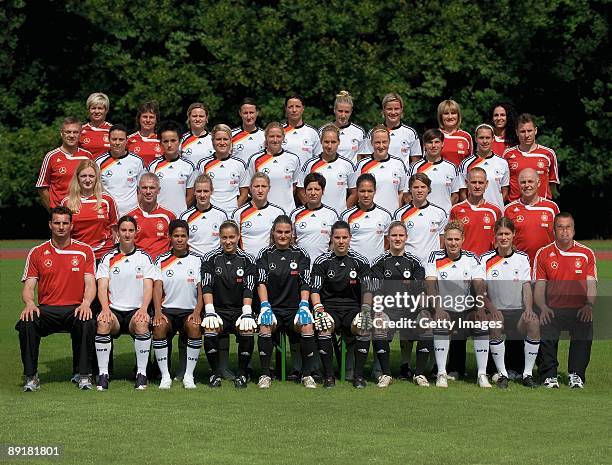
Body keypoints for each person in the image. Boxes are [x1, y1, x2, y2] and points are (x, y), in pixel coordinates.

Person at [17, 206, 96, 391]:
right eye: (57, 223)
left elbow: (91, 283)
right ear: (50, 225)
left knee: (87, 320)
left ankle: (83, 375)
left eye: (65, 223)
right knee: (27, 322)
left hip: (75, 308)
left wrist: (86, 303)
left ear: (71, 226)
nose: (61, 227)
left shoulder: (84, 250)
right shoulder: (37, 252)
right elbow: (29, 286)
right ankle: (31, 376)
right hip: (47, 309)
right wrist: (29, 303)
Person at [533, 212, 597, 389]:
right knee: (544, 321)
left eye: (568, 227)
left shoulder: (586, 253)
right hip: (552, 308)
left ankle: (576, 374)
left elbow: (591, 285)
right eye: (560, 227)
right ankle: (549, 375)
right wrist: (543, 307)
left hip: (578, 309)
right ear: (554, 230)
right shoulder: (543, 253)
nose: (564, 231)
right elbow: (539, 287)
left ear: (574, 230)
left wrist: (589, 305)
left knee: (586, 323)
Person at [94, 215, 158, 390]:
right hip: (113, 310)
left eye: (131, 230)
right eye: (123, 230)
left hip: (135, 311)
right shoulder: (108, 257)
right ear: (117, 233)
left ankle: (141, 373)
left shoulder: (144, 257)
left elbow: (148, 287)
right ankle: (103, 374)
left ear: (136, 232)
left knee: (142, 322)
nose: (127, 234)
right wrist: (105, 308)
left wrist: (144, 308)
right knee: (102, 322)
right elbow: (101, 286)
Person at [425, 220, 490, 388]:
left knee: (481, 321)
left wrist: (481, 309)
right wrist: (438, 309)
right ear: (444, 240)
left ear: (463, 240)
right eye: (449, 239)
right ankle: (441, 373)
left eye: (456, 239)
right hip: (444, 308)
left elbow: (479, 284)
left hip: (466, 310)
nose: (453, 243)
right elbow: (431, 285)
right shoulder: (435, 257)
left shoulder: (472, 258)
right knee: (441, 320)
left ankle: (482, 374)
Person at [310, 220, 373, 388]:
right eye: (337, 237)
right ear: (331, 238)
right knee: (323, 327)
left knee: (364, 325)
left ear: (350, 238)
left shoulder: (361, 261)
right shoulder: (321, 261)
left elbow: (368, 291)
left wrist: (365, 310)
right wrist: (318, 310)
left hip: (353, 309)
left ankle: (358, 377)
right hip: (329, 309)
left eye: (344, 237)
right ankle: (329, 377)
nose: (341, 241)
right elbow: (314, 290)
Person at [255, 215, 316, 389]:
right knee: (265, 325)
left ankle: (307, 374)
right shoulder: (265, 254)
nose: (283, 236)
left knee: (307, 326)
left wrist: (304, 305)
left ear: (292, 234)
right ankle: (265, 374)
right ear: (273, 233)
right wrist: (265, 306)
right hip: (273, 309)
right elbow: (261, 282)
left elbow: (305, 283)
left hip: (294, 309)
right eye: (279, 232)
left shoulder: (301, 254)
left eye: (287, 232)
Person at [480, 217, 540, 388]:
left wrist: (528, 308)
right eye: (500, 234)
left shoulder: (522, 258)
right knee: (495, 323)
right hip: (496, 311)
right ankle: (502, 374)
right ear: (495, 236)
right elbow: (480, 291)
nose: (504, 237)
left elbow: (526, 287)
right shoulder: (485, 259)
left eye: (507, 234)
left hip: (518, 312)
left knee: (534, 322)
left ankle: (527, 374)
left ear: (514, 235)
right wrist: (491, 308)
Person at [370, 221, 430, 387]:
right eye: (394, 235)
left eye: (401, 235)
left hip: (410, 309)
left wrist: (424, 310)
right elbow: (376, 291)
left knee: (427, 324)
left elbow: (420, 291)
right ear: (388, 238)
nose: (397, 239)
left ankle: (418, 374)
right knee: (379, 324)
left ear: (406, 238)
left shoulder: (415, 262)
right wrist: (379, 312)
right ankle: (386, 374)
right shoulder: (379, 262)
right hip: (388, 309)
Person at [200, 220, 257, 388]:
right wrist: (209, 310)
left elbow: (249, 287)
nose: (228, 241)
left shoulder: (247, 259)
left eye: (232, 237)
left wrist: (247, 311)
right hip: (218, 310)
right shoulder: (211, 258)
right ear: (220, 238)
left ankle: (241, 374)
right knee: (210, 328)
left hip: (240, 310)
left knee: (247, 328)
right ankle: (214, 373)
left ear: (238, 237)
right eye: (224, 237)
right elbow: (207, 286)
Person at [152, 219, 204, 389]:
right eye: (176, 236)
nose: (180, 239)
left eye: (183, 236)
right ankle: (165, 376)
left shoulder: (197, 260)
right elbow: (157, 289)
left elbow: (201, 290)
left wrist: (197, 312)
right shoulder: (161, 260)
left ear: (188, 237)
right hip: (168, 310)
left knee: (194, 327)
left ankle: (189, 375)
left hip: (189, 310)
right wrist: (158, 312)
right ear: (170, 237)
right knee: (159, 327)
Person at [61, 159, 118, 260]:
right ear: (77, 178)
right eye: (83, 176)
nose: (87, 180)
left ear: (97, 178)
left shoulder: (107, 200)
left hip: (103, 254)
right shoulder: (67, 202)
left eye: (91, 176)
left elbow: (115, 230)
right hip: (77, 255)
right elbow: (62, 232)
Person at [504, 168, 560, 264]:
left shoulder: (551, 207)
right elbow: (503, 239)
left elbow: (560, 236)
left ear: (538, 183)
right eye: (523, 182)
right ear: (518, 184)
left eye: (530, 181)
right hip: (519, 265)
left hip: (546, 263)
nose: (527, 185)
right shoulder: (509, 210)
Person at [349, 124, 408, 213]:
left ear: (389, 142)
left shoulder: (398, 164)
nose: (381, 146)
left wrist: (397, 214)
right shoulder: (362, 165)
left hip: (391, 218)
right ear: (371, 143)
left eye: (384, 142)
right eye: (377, 142)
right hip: (368, 218)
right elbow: (354, 194)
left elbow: (401, 193)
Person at [37, 117, 93, 210]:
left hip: (83, 209)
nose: (71, 135)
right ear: (61, 133)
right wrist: (52, 211)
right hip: (61, 214)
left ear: (80, 135)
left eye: (75, 132)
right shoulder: (51, 156)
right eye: (68, 132)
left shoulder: (87, 156)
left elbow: (95, 183)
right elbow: (42, 187)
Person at [298, 124, 355, 214]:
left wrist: (343, 214)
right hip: (316, 216)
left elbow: (354, 193)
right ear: (321, 141)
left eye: (333, 142)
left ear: (339, 142)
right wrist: (311, 210)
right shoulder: (309, 164)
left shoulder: (348, 165)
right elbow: (301, 190)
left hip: (339, 221)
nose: (329, 146)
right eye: (326, 142)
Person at [394, 173, 448, 266]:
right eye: (416, 187)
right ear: (410, 189)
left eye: (423, 187)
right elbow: (396, 240)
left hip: (431, 265)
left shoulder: (439, 213)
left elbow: (442, 240)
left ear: (428, 189)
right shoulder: (400, 213)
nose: (419, 190)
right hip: (408, 264)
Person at [503, 113, 559, 202]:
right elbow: (504, 185)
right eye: (522, 131)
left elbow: (552, 185)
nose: (526, 135)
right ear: (517, 132)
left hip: (542, 208)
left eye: (529, 131)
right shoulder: (508, 154)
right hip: (515, 208)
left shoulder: (548, 154)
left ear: (535, 130)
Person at [247, 122, 301, 213]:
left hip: (287, 211)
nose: (275, 140)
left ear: (283, 138)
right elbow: (249, 187)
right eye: (271, 136)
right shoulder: (255, 159)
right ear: (266, 138)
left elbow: (294, 187)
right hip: (264, 212)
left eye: (278, 136)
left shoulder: (293, 159)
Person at [96, 124, 148, 216]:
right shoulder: (99, 162)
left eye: (121, 139)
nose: (117, 142)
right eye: (114, 139)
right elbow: (96, 189)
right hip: (108, 212)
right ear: (109, 140)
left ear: (126, 141)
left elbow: (142, 189)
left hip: (131, 213)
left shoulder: (137, 161)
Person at [196, 124, 249, 212]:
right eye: (218, 139)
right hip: (210, 213)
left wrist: (233, 211)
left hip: (231, 216)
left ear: (231, 141)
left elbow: (244, 193)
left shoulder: (240, 164)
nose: (222, 143)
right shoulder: (203, 164)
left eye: (225, 139)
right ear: (213, 141)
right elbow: (198, 191)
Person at [449, 168, 502, 256]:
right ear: (466, 183)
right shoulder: (456, 210)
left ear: (486, 184)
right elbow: (451, 239)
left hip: (487, 263)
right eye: (474, 182)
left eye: (481, 183)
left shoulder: (495, 211)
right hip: (465, 263)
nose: (477, 186)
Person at [341, 173, 392, 264]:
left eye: (369, 191)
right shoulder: (347, 215)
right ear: (357, 191)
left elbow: (388, 240)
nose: (366, 195)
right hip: (354, 267)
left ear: (375, 191)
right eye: (362, 191)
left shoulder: (385, 215)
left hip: (377, 268)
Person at [148, 120, 195, 217]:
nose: (169, 145)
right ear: (160, 143)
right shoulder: (153, 166)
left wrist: (181, 213)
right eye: (166, 141)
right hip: (158, 217)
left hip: (181, 218)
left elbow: (191, 196)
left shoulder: (189, 166)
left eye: (173, 140)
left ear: (180, 141)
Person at [359, 92, 421, 166]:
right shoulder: (373, 132)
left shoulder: (410, 133)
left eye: (396, 109)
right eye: (389, 109)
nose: (393, 112)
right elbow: (367, 161)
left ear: (401, 110)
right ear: (383, 110)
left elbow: (415, 162)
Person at [232, 172, 286, 256]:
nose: (260, 190)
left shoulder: (278, 212)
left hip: (270, 262)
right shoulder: (238, 213)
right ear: (250, 188)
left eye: (264, 186)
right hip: (247, 263)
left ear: (269, 188)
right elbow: (233, 241)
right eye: (256, 186)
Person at [458, 124, 510, 209]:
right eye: (481, 138)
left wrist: (496, 208)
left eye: (488, 137)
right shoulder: (466, 163)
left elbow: (505, 192)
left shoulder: (502, 163)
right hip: (474, 212)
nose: (485, 141)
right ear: (476, 139)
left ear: (493, 139)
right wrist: (472, 209)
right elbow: (462, 192)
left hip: (496, 213)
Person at [409, 128, 460, 214]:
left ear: (442, 144)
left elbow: (455, 195)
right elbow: (407, 194)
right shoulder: (415, 167)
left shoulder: (451, 167)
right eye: (430, 142)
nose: (433, 146)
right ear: (424, 145)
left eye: (437, 142)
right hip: (421, 215)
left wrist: (444, 212)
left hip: (444, 217)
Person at [126, 173, 176, 260]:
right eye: (144, 188)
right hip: (138, 265)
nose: (148, 192)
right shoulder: (130, 217)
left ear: (158, 190)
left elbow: (175, 244)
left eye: (152, 188)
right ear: (139, 190)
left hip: (161, 265)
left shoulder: (169, 216)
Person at [291, 172, 339, 263]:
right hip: (301, 265)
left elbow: (335, 241)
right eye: (309, 189)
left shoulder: (331, 214)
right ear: (305, 191)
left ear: (323, 191)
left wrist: (327, 259)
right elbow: (291, 240)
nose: (313, 193)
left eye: (317, 189)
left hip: (324, 267)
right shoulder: (295, 214)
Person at [179, 174, 228, 256]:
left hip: (214, 262)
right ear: (194, 192)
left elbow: (225, 241)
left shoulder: (221, 215)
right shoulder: (185, 216)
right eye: (199, 191)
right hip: (193, 262)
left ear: (211, 191)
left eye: (205, 191)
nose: (202, 195)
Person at [319, 90, 366, 164]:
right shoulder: (323, 130)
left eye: (347, 112)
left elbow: (363, 158)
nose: (343, 115)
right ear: (334, 110)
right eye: (340, 111)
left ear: (351, 111)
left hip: (351, 174)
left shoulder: (359, 132)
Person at [282, 93, 322, 168]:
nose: (294, 110)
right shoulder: (278, 131)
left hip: (306, 178)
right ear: (286, 109)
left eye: (297, 106)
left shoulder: (312, 133)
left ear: (303, 108)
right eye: (290, 107)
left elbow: (318, 160)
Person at [437, 99, 473, 167]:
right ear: (440, 116)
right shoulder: (434, 135)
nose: (450, 117)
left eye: (453, 113)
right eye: (446, 113)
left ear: (458, 115)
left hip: (461, 177)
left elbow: (470, 164)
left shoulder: (466, 137)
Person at [127, 100, 162, 166]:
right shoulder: (129, 140)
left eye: (151, 117)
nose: (148, 120)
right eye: (145, 117)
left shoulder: (162, 141)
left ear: (156, 120)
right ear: (139, 118)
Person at [231, 97, 265, 164]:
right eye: (245, 113)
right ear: (240, 113)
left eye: (251, 112)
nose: (248, 117)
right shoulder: (231, 135)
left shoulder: (264, 135)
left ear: (257, 113)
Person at [180, 102, 215, 167]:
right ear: (189, 118)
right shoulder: (181, 139)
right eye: (194, 116)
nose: (198, 119)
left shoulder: (214, 139)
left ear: (206, 118)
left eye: (201, 116)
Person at [79, 92, 112, 157]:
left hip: (108, 167)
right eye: (93, 108)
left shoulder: (113, 130)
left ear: (106, 110)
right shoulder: (81, 130)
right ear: (88, 110)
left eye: (100, 108)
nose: (96, 112)